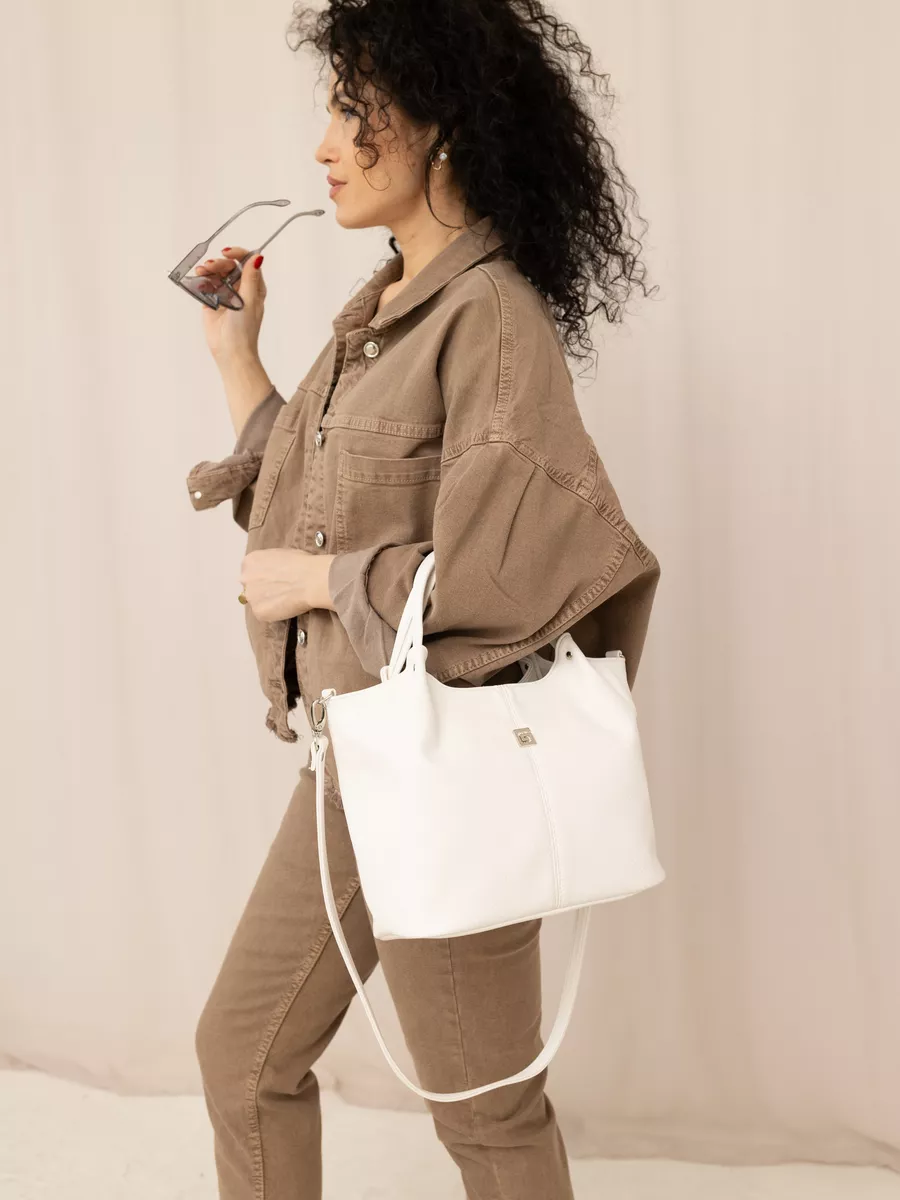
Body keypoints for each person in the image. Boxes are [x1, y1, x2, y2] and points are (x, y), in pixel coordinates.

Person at [186, 2, 661, 1196]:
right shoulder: (382, 314)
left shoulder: (491, 319)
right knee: (243, 1055)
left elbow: (507, 576)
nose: (325, 145)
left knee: (487, 1116)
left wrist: (316, 582)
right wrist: (239, 359)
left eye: (354, 111)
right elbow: (318, 498)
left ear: (441, 124)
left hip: (450, 767)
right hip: (362, 757)